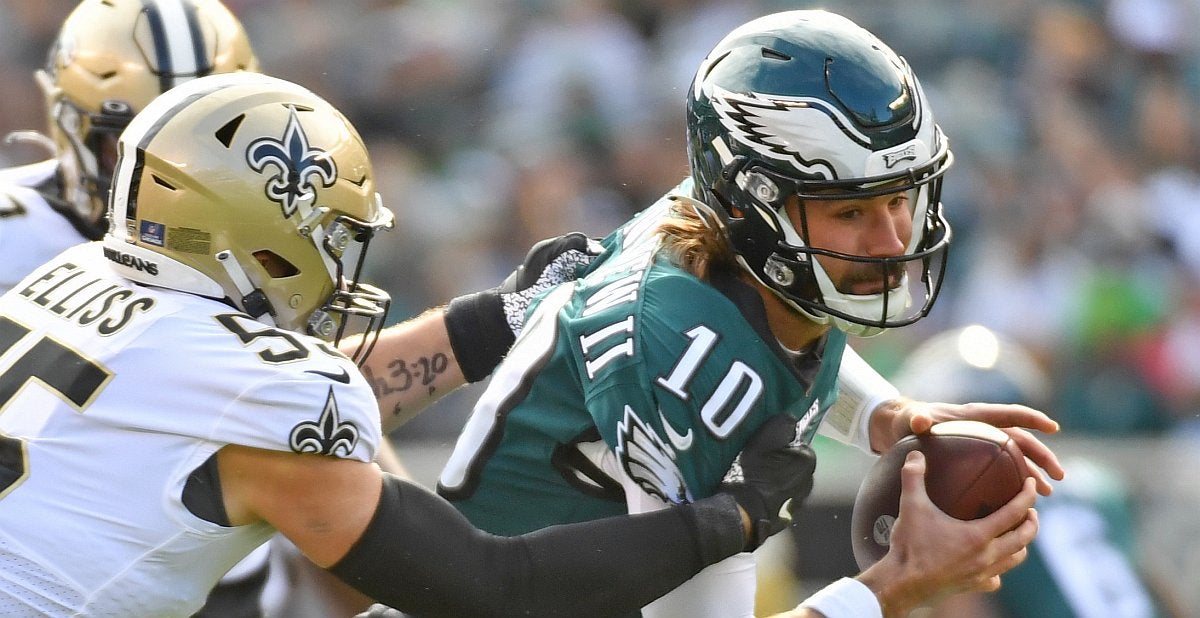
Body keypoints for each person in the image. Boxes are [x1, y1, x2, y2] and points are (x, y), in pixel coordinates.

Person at [0, 70, 828, 618]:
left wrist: (488, 325)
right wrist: (735, 518)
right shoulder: (260, 397)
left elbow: (221, 411)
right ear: (257, 237)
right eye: (329, 234)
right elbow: (490, 589)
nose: (339, 262)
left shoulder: (71, 279)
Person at [399, 10, 1064, 618]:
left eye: (899, 199)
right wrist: (897, 587)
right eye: (854, 210)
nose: (892, 239)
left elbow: (786, 336)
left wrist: (883, 415)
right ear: (754, 203)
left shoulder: (721, 232)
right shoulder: (686, 366)